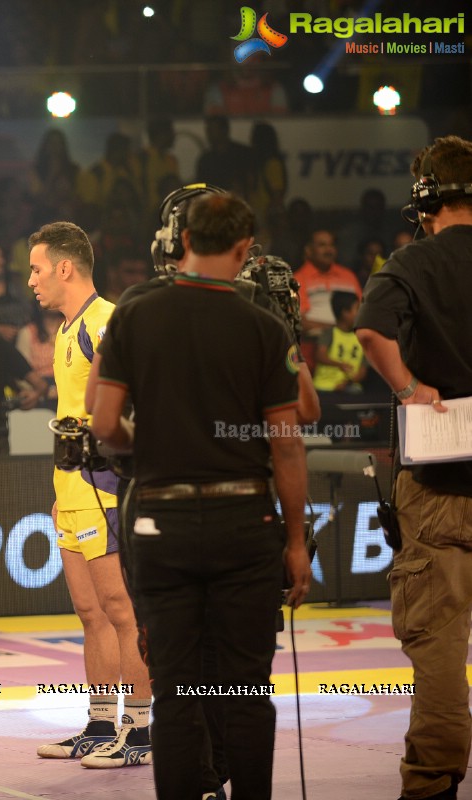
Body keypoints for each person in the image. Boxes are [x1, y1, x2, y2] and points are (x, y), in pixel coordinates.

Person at [92, 193, 312, 800]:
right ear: (244, 250)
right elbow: (291, 439)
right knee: (245, 689)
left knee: (178, 694)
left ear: (180, 241)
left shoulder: (134, 312)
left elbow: (104, 420)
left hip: (160, 521)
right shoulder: (263, 324)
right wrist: (295, 543)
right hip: (244, 520)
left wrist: (154, 452)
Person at [355, 134, 472, 800]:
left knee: (439, 653)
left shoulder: (412, 262)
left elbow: (372, 331)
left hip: (440, 486)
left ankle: (431, 786)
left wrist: (408, 389)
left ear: (425, 199)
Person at [25, 222, 152, 768]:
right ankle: (102, 722)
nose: (30, 280)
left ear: (64, 267)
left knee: (123, 611)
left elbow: (137, 402)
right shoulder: (64, 329)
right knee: (88, 610)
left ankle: (142, 728)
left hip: (104, 486)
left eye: (36, 269)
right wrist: (61, 489)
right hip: (71, 487)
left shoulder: (107, 322)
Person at [295, 229, 362, 333]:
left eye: (332, 245)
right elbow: (299, 321)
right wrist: (336, 330)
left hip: (351, 341)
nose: (328, 250)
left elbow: (363, 312)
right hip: (315, 343)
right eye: (322, 245)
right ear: (308, 250)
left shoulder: (348, 276)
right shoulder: (298, 279)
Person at [313, 292, 366, 394]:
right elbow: (320, 355)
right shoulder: (330, 333)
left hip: (350, 388)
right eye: (357, 309)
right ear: (345, 312)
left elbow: (362, 372)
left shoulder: (362, 337)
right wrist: (339, 365)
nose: (361, 313)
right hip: (324, 387)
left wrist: (347, 383)